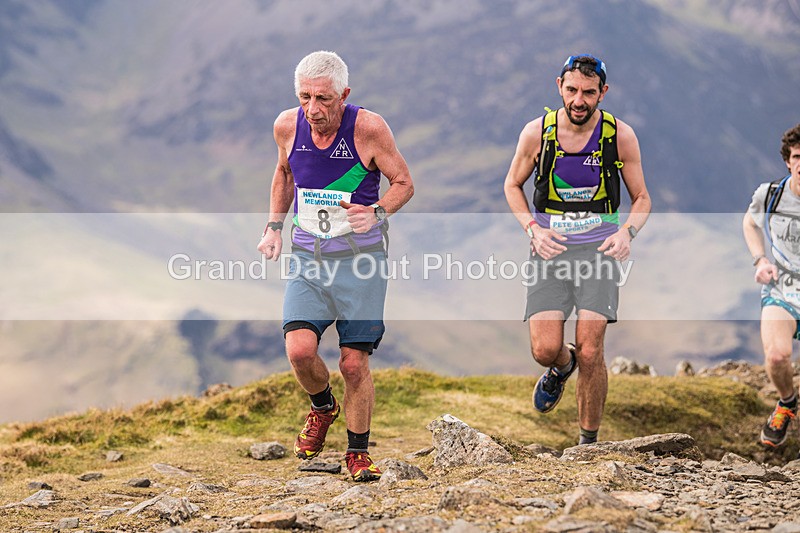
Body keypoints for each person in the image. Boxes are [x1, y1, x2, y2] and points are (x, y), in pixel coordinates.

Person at [257, 51, 414, 481]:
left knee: (352, 364)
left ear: (344, 95)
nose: (313, 109)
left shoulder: (368, 129)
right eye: (305, 97)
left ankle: (358, 452)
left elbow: (404, 183)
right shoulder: (287, 126)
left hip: (361, 262)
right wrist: (274, 227)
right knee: (299, 350)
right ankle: (324, 407)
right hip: (308, 258)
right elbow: (284, 173)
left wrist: (377, 212)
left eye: (323, 98)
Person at [503, 54, 651, 445]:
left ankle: (587, 443)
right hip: (549, 252)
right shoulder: (537, 133)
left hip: (599, 254)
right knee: (544, 349)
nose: (579, 100)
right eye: (571, 90)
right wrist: (532, 229)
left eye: (588, 92)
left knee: (591, 350)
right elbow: (512, 185)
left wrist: (627, 234)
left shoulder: (619, 136)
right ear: (559, 87)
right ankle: (560, 366)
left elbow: (642, 198)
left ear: (603, 92)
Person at [743, 123, 800, 450]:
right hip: (783, 289)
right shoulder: (771, 194)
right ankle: (787, 402)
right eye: (797, 157)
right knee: (777, 357)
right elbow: (750, 223)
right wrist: (760, 260)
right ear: (788, 161)